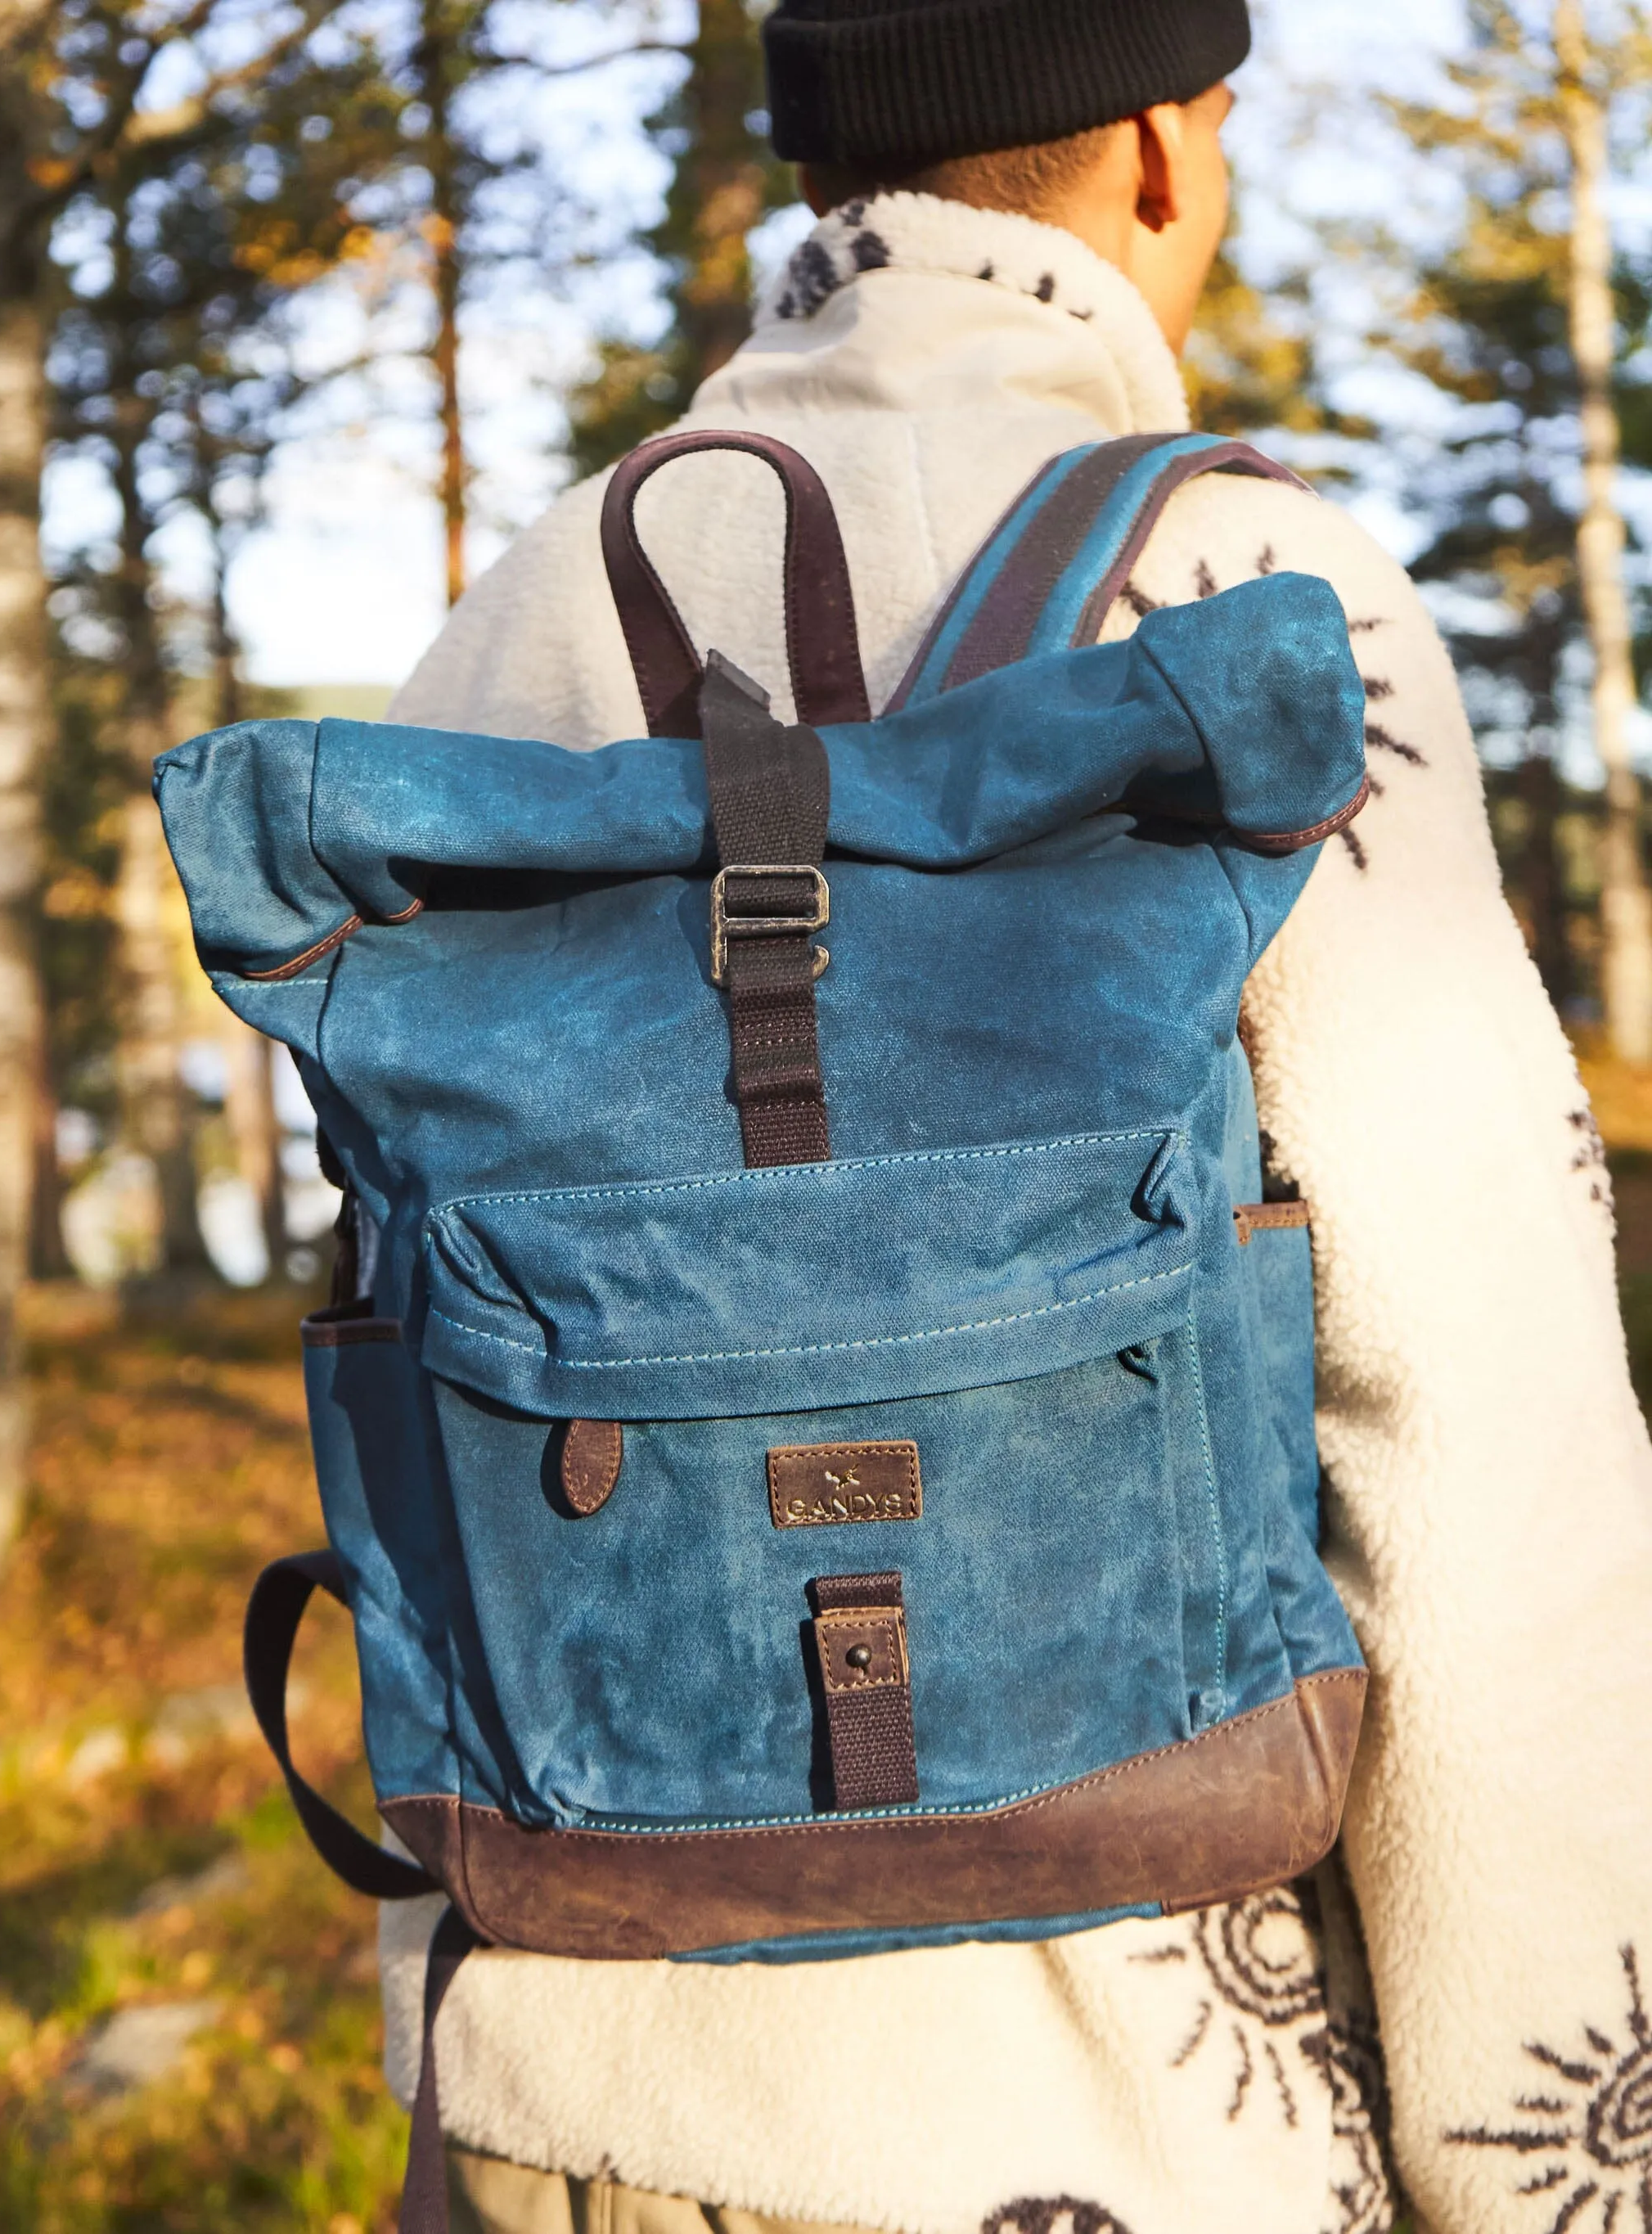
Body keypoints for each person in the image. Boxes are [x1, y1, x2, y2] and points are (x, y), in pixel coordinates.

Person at [384, 3, 1652, 2230]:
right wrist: (1554, 2165)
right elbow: (1480, 1451)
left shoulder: (513, 633)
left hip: (557, 2100)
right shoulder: (1257, 610)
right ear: (1167, 146)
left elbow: (441, 1443)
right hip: (1114, 2135)